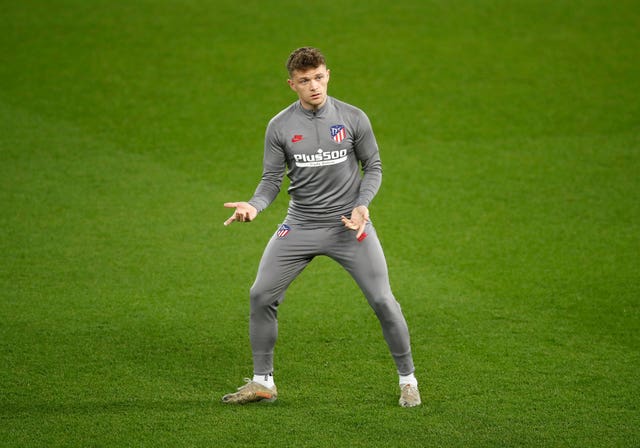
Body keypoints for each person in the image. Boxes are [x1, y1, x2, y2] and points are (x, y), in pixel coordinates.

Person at [221, 47, 421, 407]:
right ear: (291, 84)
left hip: (349, 226)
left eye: (318, 77)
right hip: (300, 225)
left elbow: (373, 166)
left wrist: (362, 206)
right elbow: (270, 181)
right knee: (260, 295)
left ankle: (408, 381)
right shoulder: (280, 126)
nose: (313, 86)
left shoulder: (353, 117)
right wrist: (254, 206)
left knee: (383, 301)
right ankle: (262, 381)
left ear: (327, 74)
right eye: (304, 81)